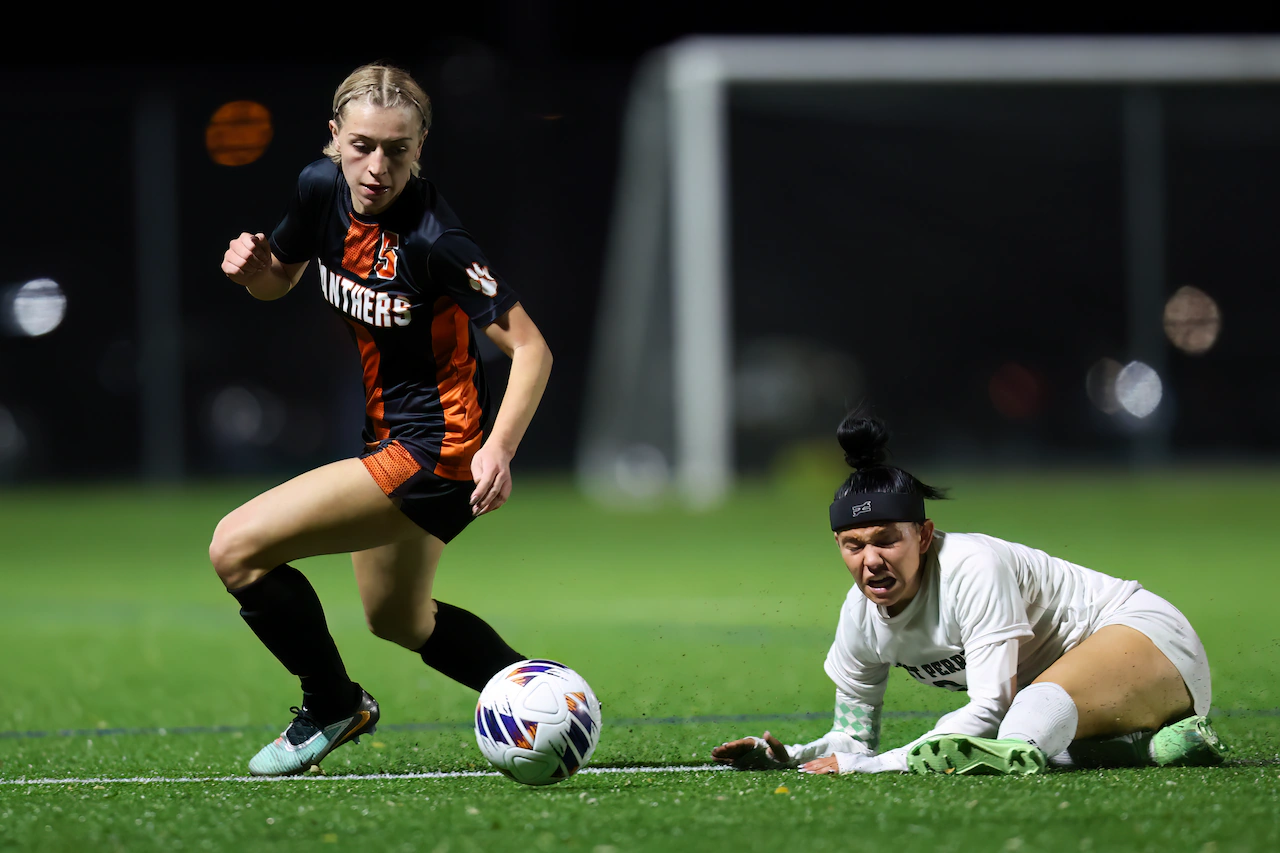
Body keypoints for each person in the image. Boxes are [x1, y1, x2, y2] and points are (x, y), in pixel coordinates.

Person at [212, 63, 553, 777]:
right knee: (398, 617)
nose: (377, 167)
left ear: (420, 148)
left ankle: (330, 704)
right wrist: (254, 271)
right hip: (391, 437)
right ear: (334, 137)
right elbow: (281, 279)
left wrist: (499, 448)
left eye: (397, 150)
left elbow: (531, 349)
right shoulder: (320, 188)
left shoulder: (435, 239)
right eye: (363, 145)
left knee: (235, 548)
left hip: (440, 452)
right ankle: (548, 700)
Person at [711, 413, 1228, 776]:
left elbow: (989, 707)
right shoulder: (860, 617)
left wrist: (879, 766)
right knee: (1020, 731)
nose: (870, 559)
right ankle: (1151, 748)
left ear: (924, 535)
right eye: (854, 545)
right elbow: (853, 738)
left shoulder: (972, 567)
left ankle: (1094, 741)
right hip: (1075, 698)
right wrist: (793, 756)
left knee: (1019, 722)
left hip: (1148, 641)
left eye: (887, 540)